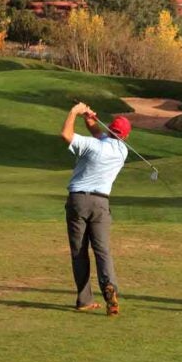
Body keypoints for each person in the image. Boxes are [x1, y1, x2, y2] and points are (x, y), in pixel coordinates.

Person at [60, 101, 131, 316]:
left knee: (79, 252)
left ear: (110, 129)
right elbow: (101, 134)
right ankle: (110, 287)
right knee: (102, 250)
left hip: (78, 202)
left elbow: (66, 135)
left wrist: (74, 112)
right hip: (101, 204)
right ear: (125, 136)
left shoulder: (91, 145)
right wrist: (89, 118)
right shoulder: (122, 151)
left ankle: (84, 300)